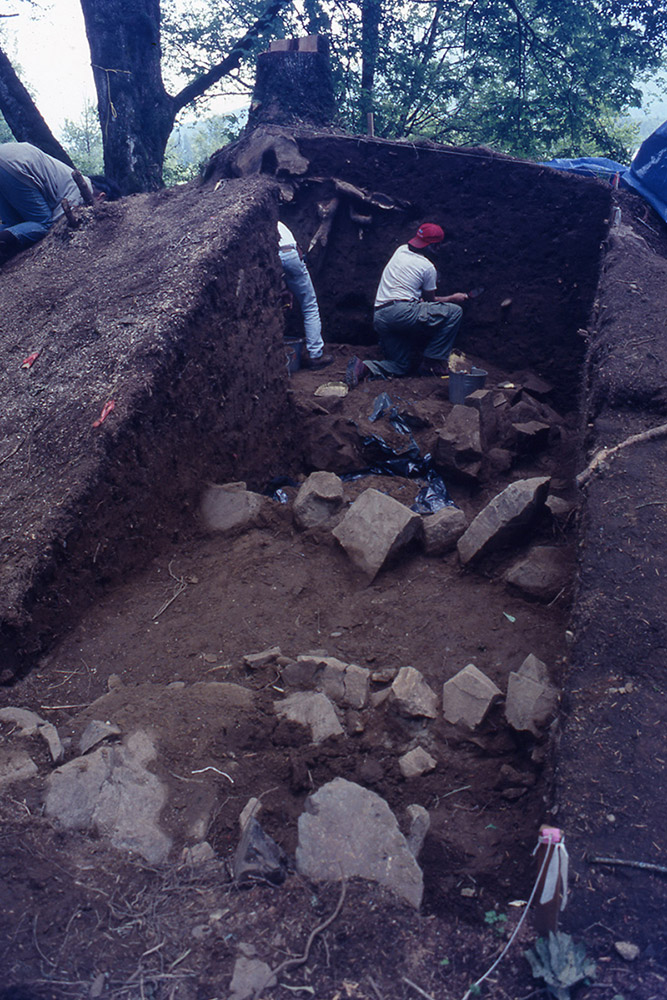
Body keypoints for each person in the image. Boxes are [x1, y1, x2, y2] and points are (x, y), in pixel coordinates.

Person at [346, 222, 468, 386]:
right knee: (455, 312)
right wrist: (453, 298)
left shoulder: (400, 250)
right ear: (434, 246)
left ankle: (364, 367)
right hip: (402, 313)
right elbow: (431, 301)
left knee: (400, 366)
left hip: (381, 316)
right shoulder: (427, 267)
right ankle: (433, 362)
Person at [0, 141, 119, 263]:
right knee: (44, 225)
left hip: (8, 154)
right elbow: (56, 222)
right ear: (101, 196)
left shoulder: (67, 177)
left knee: (13, 223)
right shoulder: (81, 189)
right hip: (18, 164)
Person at [278, 220, 333, 370]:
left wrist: (283, 287)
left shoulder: (262, 221)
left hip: (275, 256)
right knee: (309, 306)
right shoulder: (279, 223)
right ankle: (315, 355)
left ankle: (278, 352)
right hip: (290, 253)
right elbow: (298, 253)